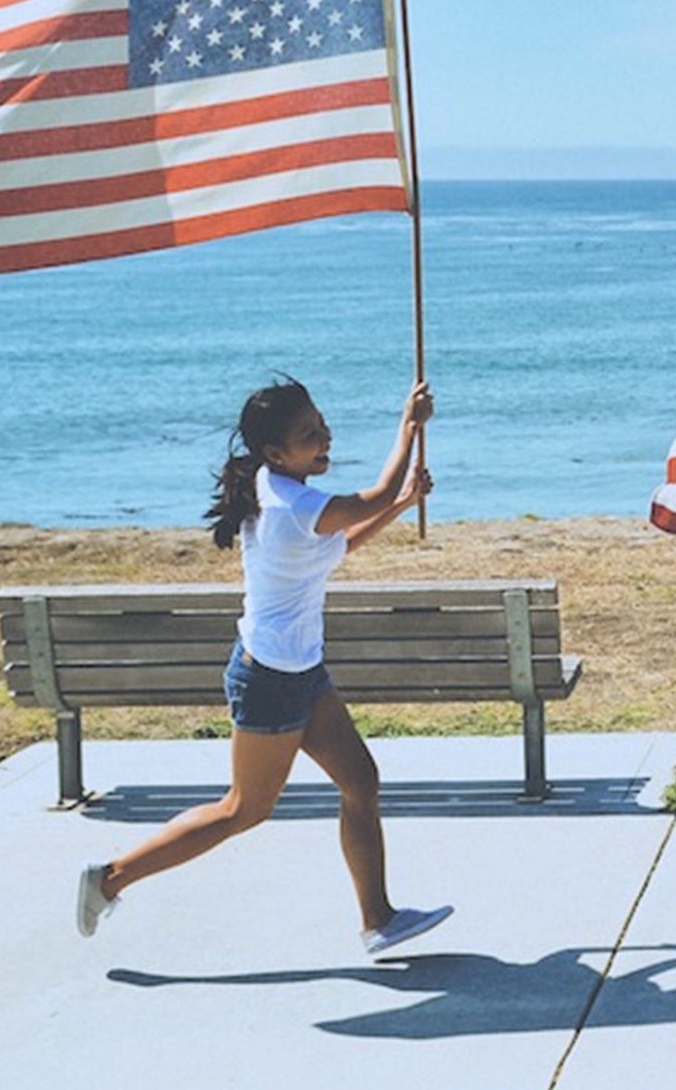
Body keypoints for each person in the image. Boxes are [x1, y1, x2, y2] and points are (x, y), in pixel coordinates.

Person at [75, 377, 452, 955]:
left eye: (322, 425)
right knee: (242, 811)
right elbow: (371, 496)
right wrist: (408, 427)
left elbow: (343, 541)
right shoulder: (290, 503)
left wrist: (401, 504)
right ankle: (109, 879)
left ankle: (378, 919)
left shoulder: (278, 487)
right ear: (276, 453)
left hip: (301, 671)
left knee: (361, 781)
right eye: (309, 435)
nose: (324, 438)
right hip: (270, 680)